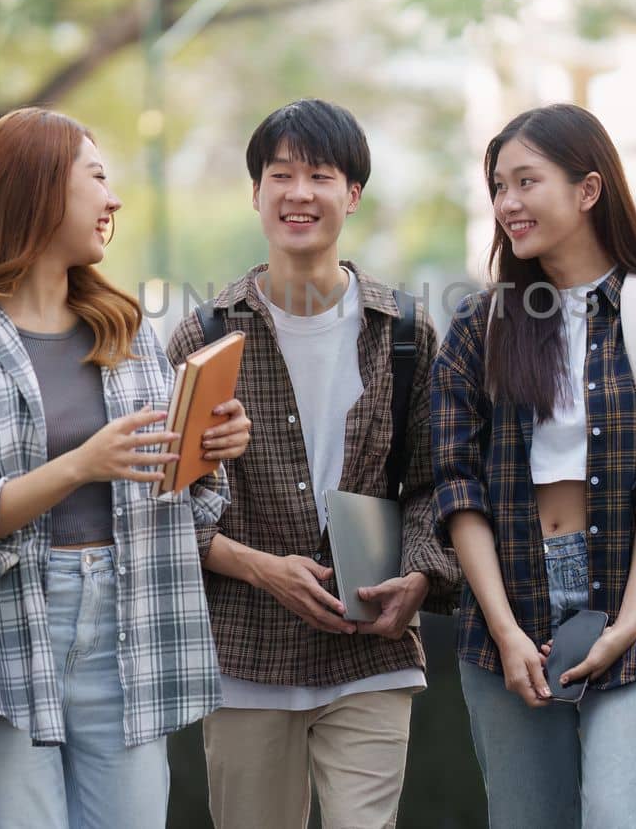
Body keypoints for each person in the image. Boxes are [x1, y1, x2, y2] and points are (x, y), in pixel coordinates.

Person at [0, 107, 251, 828]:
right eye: (96, 177)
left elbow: (180, 508)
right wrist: (79, 465)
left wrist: (207, 453)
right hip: (4, 631)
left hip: (127, 621)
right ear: (37, 191)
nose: (113, 199)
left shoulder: (125, 335)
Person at [167, 99, 461, 829]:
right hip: (246, 658)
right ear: (257, 193)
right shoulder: (203, 337)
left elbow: (436, 481)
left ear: (351, 195)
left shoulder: (405, 332)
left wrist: (422, 574)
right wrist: (265, 568)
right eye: (281, 175)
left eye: (320, 176)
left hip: (372, 650)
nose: (300, 193)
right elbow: (164, 505)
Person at [431, 103, 636, 828]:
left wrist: (628, 620)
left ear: (588, 189)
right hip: (508, 604)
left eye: (527, 181)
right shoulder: (481, 325)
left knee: (622, 814)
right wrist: (503, 628)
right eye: (498, 186)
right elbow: (456, 486)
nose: (508, 204)